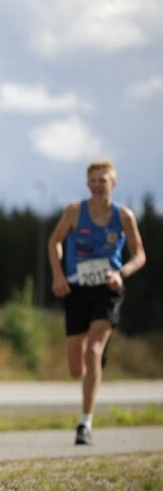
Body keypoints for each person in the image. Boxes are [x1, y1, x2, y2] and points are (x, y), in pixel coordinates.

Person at [47, 158, 145, 446]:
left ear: (113, 183)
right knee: (77, 369)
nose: (98, 185)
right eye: (93, 180)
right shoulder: (75, 211)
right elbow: (54, 242)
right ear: (87, 184)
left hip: (107, 289)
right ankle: (96, 359)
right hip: (77, 290)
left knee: (92, 349)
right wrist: (58, 276)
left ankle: (84, 422)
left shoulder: (124, 215)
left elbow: (140, 254)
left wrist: (122, 273)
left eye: (103, 180)